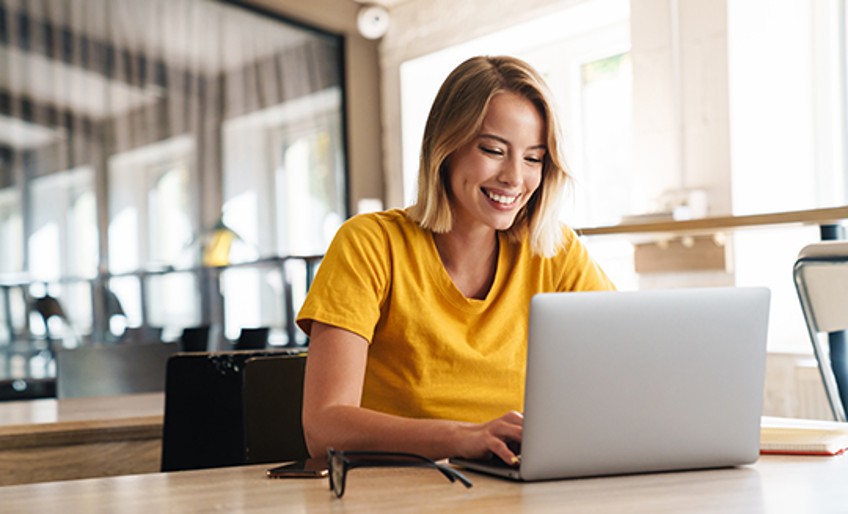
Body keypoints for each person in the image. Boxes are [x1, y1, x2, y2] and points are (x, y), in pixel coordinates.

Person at [296, 55, 615, 466]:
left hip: (515, 489)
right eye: (493, 150)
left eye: (533, 158)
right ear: (445, 147)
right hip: (397, 492)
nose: (515, 178)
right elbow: (323, 429)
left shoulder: (554, 251)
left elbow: (625, 373)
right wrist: (463, 437)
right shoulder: (370, 244)